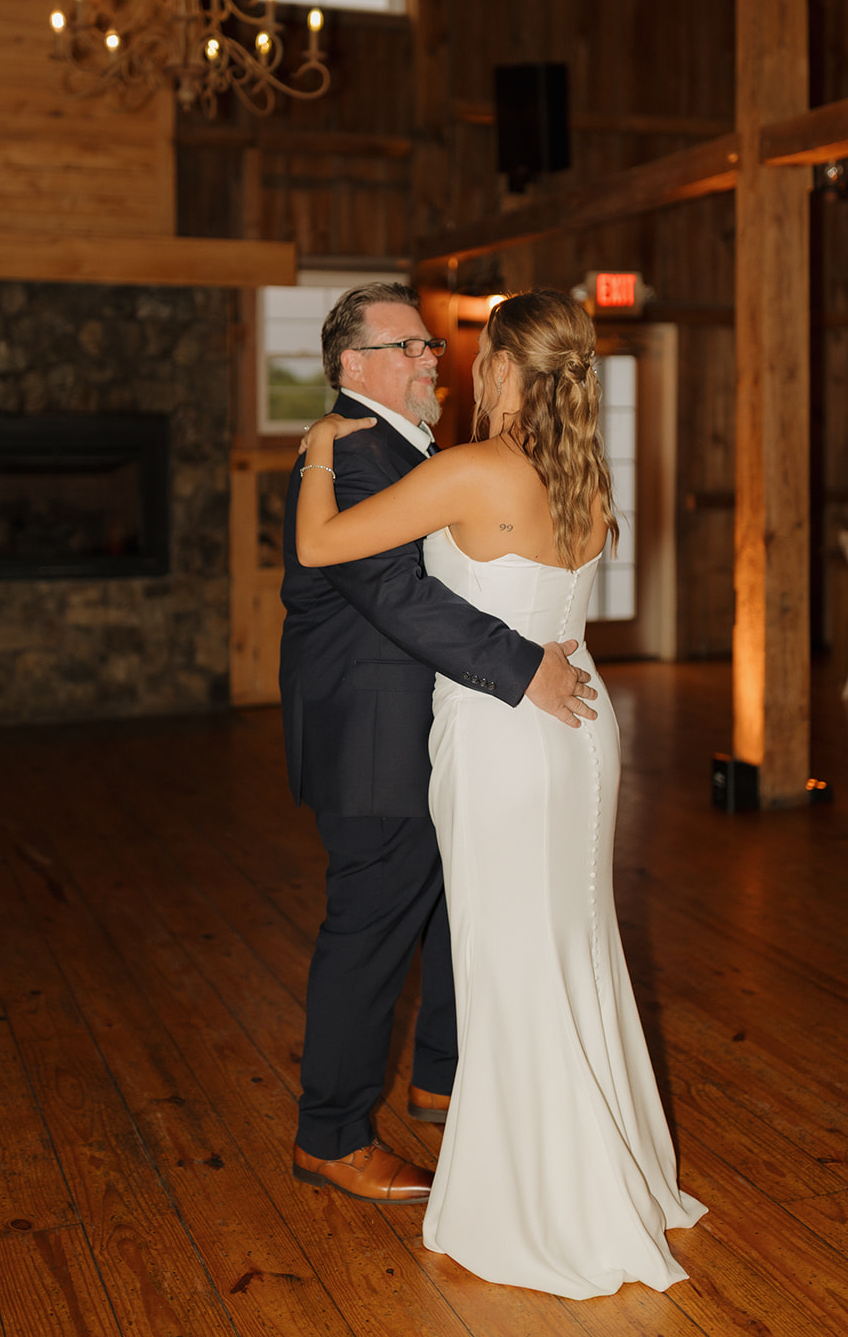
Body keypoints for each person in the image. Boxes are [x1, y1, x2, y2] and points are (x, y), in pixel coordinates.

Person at [295, 287, 706, 1299]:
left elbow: (322, 549)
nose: (452, 364)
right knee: (569, 942)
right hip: (577, 727)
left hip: (501, 737)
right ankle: (589, 1156)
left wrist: (311, 455)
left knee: (505, 954)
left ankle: (533, 1193)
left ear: (506, 371)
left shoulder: (469, 467)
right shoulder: (585, 474)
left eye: (470, 353)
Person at [280, 283, 597, 1207]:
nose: (432, 357)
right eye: (409, 346)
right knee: (371, 932)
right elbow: (393, 593)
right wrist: (521, 665)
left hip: (443, 726)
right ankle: (330, 1136)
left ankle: (442, 1078)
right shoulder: (350, 450)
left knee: (452, 911)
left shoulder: (423, 450)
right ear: (352, 367)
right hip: (372, 735)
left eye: (431, 346)